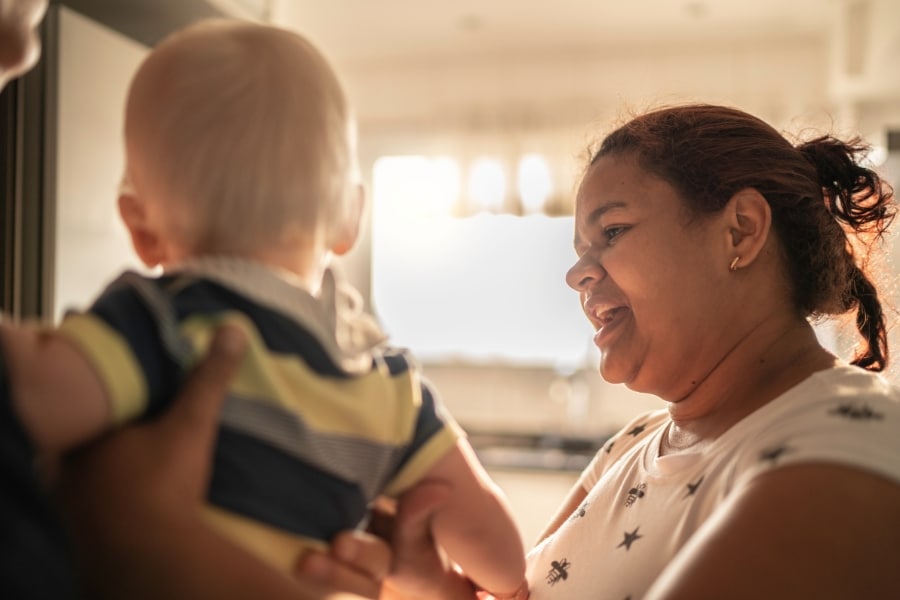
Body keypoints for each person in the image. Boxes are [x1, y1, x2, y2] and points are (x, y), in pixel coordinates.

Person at [1, 17, 528, 599]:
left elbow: (32, 394)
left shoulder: (164, 321)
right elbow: (498, 554)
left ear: (140, 226)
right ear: (351, 219)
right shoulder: (391, 386)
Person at [377, 103, 900, 599]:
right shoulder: (634, 443)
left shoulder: (849, 443)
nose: (576, 274)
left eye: (613, 231)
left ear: (740, 231)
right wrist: (439, 587)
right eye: (581, 251)